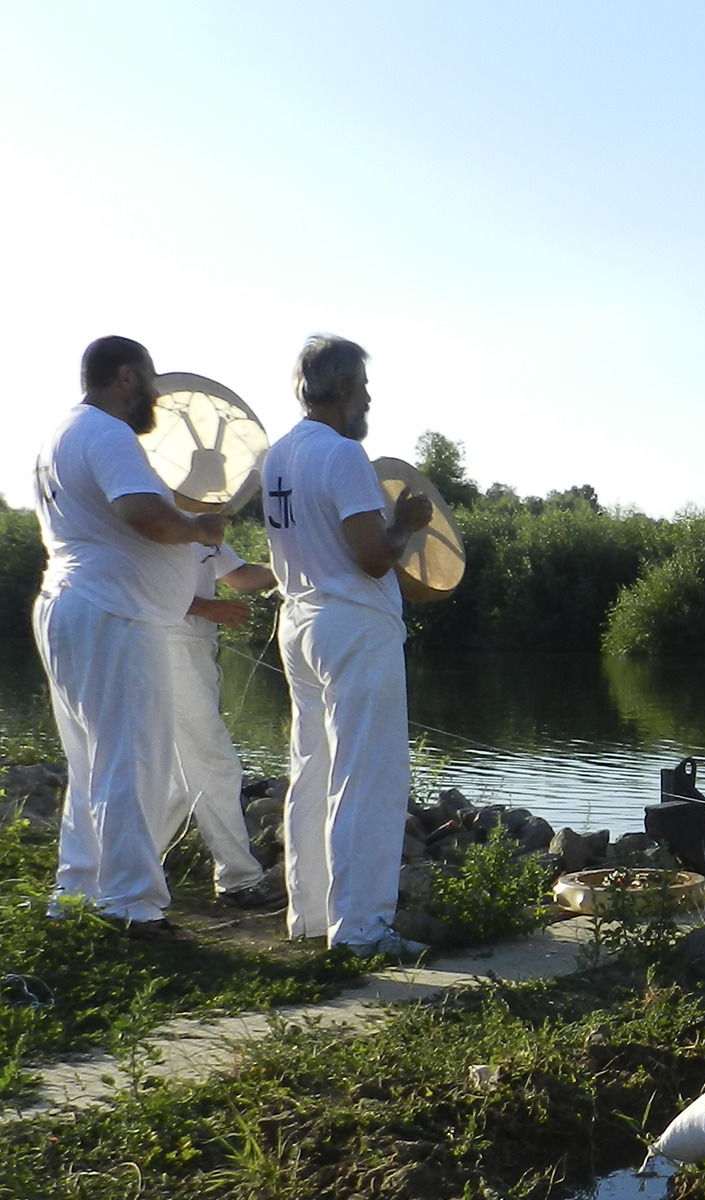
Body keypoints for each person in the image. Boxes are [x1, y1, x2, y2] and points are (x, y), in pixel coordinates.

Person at [33, 336, 227, 939]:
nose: (155, 394)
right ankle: (131, 905)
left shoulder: (62, 433)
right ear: (124, 377)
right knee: (134, 762)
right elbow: (142, 513)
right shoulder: (108, 433)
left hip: (74, 605)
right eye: (149, 379)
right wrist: (198, 527)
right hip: (112, 614)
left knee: (93, 760)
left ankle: (77, 892)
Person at [262, 334, 432, 960]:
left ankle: (309, 915)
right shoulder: (342, 454)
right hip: (353, 624)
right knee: (367, 775)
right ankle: (360, 928)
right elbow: (371, 557)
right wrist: (406, 524)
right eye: (362, 384)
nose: (368, 397)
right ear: (340, 387)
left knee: (312, 771)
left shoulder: (277, 456)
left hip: (299, 618)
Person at [159, 542, 286, 908]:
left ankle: (129, 866)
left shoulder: (203, 521)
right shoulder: (162, 519)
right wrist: (206, 608)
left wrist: (295, 563)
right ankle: (238, 879)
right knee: (216, 765)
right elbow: (139, 583)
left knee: (179, 779)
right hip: (168, 646)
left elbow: (240, 575)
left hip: (195, 647)